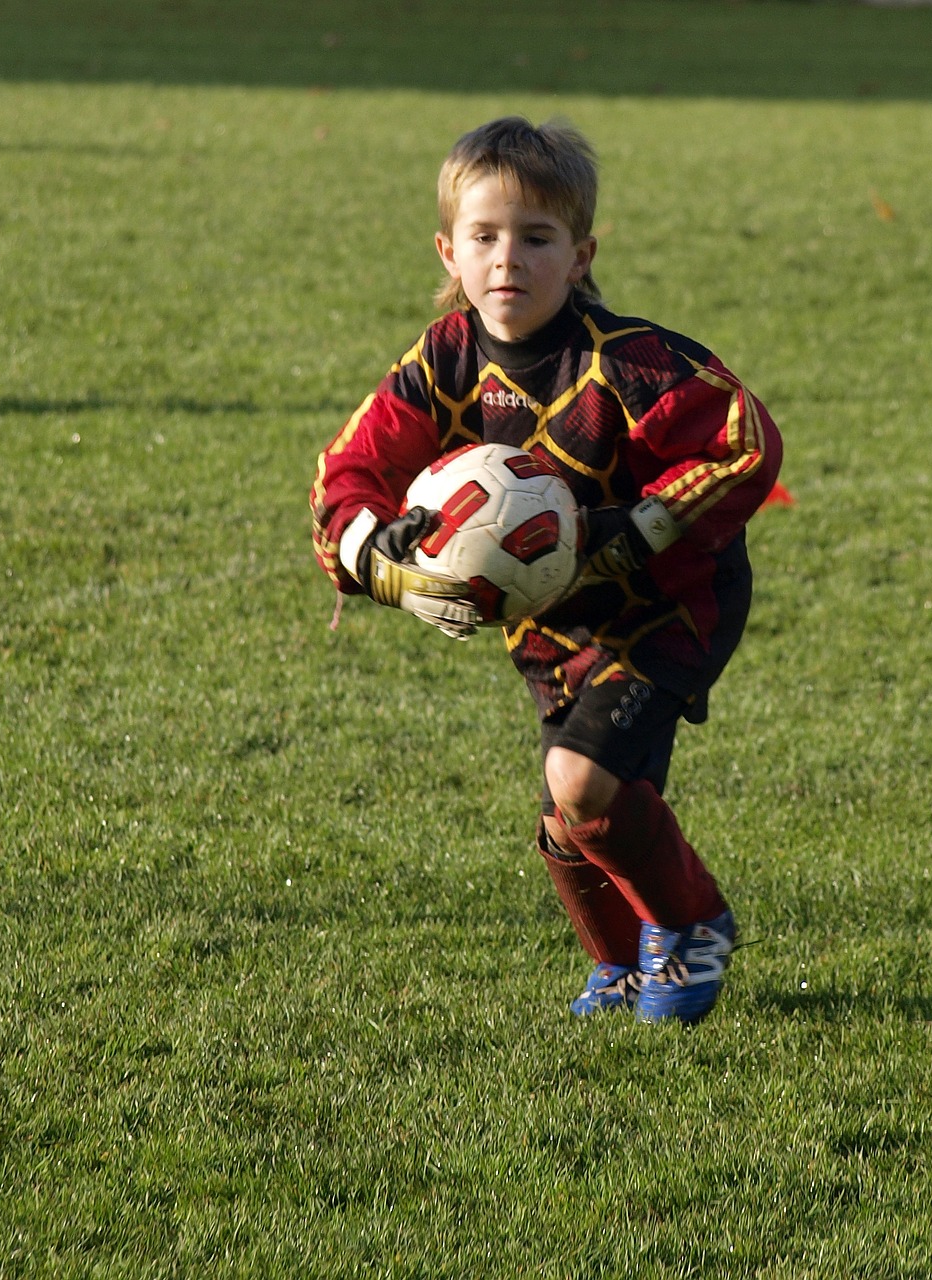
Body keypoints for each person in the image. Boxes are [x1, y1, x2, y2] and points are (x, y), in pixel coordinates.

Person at [310, 116, 782, 1024]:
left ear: (581, 255)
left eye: (536, 238)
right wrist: (384, 563)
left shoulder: (633, 363)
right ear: (448, 251)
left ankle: (693, 929)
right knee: (569, 818)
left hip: (667, 602)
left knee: (582, 782)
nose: (507, 261)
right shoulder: (440, 361)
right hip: (547, 616)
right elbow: (348, 475)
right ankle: (619, 969)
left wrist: (630, 530)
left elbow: (743, 443)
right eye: (484, 237)